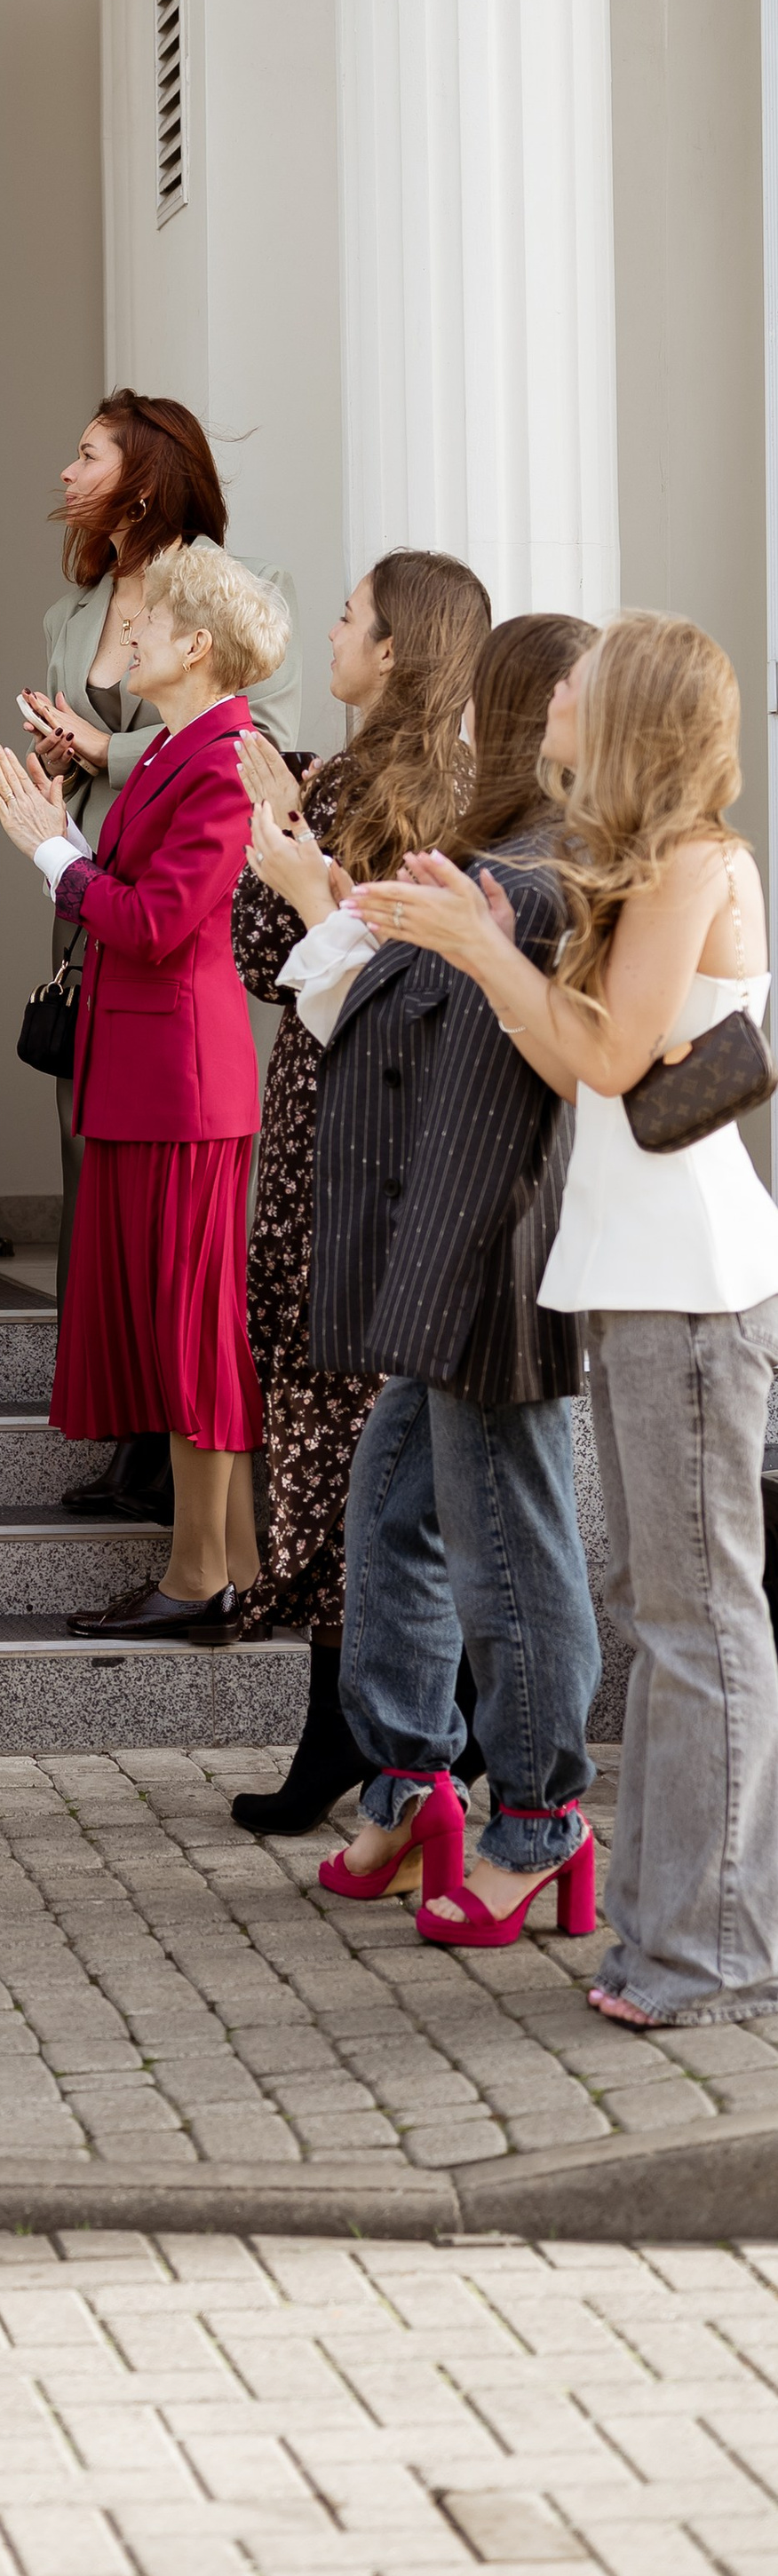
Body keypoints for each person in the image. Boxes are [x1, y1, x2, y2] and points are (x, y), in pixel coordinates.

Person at [361, 613, 778, 2013]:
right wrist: (482, 941)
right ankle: (681, 1933)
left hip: (690, 1292)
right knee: (671, 1622)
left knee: (697, 1629)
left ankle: (711, 1951)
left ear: (634, 714)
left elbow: (605, 1057)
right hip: (642, 1285)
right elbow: (563, 1043)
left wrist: (486, 953)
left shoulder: (689, 862)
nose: (551, 703)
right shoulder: (654, 862)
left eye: (580, 691)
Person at [262, 612, 602, 1948]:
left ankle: (536, 1821)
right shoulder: (499, 858)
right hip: (448, 1250)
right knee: (391, 1513)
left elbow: (457, 1048)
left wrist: (312, 907)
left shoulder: (538, 873)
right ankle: (414, 1784)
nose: (458, 729)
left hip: (494, 1252)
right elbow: (391, 1008)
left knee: (509, 1548)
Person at [0, 541, 290, 1642]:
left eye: (147, 622)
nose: (129, 635)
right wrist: (56, 834)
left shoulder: (222, 750)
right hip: (142, 1073)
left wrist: (53, 854)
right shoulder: (171, 746)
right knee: (171, 1325)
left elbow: (155, 920)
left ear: (196, 644)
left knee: (193, 1326)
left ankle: (204, 1573)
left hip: (185, 1083)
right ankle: (234, 1563)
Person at [224, 552, 492, 1831]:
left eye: (348, 619)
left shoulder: (389, 795)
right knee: (359, 1426)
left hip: (353, 1131)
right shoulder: (442, 791)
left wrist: (280, 860)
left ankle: (370, 1728)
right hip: (364, 1128)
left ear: (393, 651)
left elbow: (272, 954)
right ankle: (397, 1722)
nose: (331, 636)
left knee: (346, 1423)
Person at [24, 392, 300, 1523]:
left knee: (176, 1220)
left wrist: (109, 745)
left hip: (164, 901)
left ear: (143, 471)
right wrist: (47, 768)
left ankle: (185, 1472)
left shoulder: (225, 592)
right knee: (92, 1158)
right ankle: (133, 1422)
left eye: (87, 449)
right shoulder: (72, 606)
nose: (68, 464)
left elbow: (254, 735)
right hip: (90, 871)